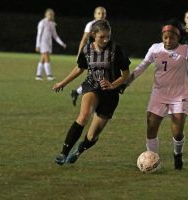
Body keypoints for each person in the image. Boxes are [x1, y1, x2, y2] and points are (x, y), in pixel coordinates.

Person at [127, 18, 188, 170]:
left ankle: (177, 155)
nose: (168, 40)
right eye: (165, 37)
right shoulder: (155, 49)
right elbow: (142, 66)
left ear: (178, 38)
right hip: (159, 94)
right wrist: (128, 81)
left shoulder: (185, 50)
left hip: (179, 96)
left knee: (177, 132)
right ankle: (153, 160)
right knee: (151, 128)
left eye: (172, 37)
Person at [52, 20, 130, 166]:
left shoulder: (116, 49)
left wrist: (112, 85)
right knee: (84, 116)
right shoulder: (87, 49)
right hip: (92, 86)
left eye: (108, 36)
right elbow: (79, 68)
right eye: (102, 37)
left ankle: (79, 150)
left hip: (111, 94)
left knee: (93, 135)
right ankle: (63, 153)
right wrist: (63, 82)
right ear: (94, 35)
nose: (106, 40)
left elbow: (126, 74)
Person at [70, 6, 107, 106]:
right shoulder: (90, 25)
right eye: (99, 13)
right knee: (96, 77)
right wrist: (79, 54)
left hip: (100, 56)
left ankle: (76, 92)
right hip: (91, 54)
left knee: (95, 77)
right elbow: (84, 39)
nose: (101, 15)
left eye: (103, 13)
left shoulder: (106, 25)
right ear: (95, 15)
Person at [35, 8, 66, 81]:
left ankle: (38, 75)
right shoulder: (42, 22)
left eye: (52, 14)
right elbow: (39, 35)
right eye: (49, 14)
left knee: (42, 59)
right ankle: (49, 75)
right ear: (46, 15)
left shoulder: (52, 24)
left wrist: (62, 43)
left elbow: (55, 36)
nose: (51, 16)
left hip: (49, 44)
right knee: (47, 58)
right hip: (43, 43)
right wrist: (37, 45)